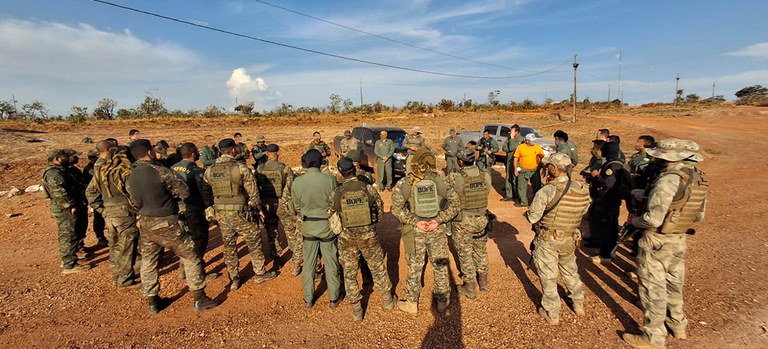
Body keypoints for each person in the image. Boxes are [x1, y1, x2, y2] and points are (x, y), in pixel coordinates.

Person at [622, 139, 708, 349]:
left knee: (653, 288)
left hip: (656, 239)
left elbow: (653, 219)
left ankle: (653, 337)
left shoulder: (668, 179)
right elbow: (699, 215)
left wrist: (634, 221)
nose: (655, 157)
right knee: (674, 284)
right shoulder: (696, 178)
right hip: (678, 238)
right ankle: (678, 324)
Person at [126, 139, 218, 314]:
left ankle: (153, 301)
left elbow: (134, 202)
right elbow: (183, 191)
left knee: (149, 261)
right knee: (191, 255)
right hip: (167, 220)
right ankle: (200, 297)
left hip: (145, 222)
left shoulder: (131, 174)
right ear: (149, 152)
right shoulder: (161, 171)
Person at [392, 148, 460, 315]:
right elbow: (455, 205)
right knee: (440, 266)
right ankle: (442, 302)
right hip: (437, 230)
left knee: (414, 267)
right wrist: (438, 220)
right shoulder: (441, 181)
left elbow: (396, 209)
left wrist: (416, 222)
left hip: (415, 232)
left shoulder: (405, 183)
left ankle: (411, 302)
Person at [526, 153, 591, 325]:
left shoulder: (547, 190)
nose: (546, 169)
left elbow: (533, 218)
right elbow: (584, 211)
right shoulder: (582, 188)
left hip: (548, 239)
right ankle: (578, 303)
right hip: (570, 238)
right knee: (570, 270)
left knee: (548, 276)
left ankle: (552, 312)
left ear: (553, 168)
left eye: (548, 166)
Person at [204, 139, 277, 290]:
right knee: (254, 240)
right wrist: (258, 208)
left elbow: (206, 191)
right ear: (232, 150)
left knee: (229, 245)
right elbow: (253, 192)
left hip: (222, 213)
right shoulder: (240, 168)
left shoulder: (210, 170)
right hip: (241, 212)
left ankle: (234, 278)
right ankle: (259, 273)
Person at [329, 157, 395, 322]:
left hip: (347, 238)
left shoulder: (336, 193)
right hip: (368, 235)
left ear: (340, 172)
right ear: (354, 169)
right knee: (378, 267)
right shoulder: (367, 189)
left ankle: (357, 310)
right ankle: (387, 301)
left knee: (349, 273)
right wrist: (371, 224)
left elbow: (331, 213)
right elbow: (379, 209)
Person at [86, 140, 140, 290]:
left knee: (115, 245)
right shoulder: (123, 172)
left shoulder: (101, 171)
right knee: (128, 246)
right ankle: (125, 280)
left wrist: (102, 209)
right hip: (124, 213)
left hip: (110, 213)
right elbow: (133, 194)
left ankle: (117, 274)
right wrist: (137, 208)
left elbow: (90, 192)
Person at [291, 149, 341, 308]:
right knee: (331, 261)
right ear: (321, 163)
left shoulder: (297, 182)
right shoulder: (329, 180)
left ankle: (308, 299)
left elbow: (295, 207)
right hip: (326, 226)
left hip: (308, 226)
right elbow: (335, 203)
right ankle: (334, 298)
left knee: (309, 263)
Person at [447, 147, 491, 299]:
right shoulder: (485, 174)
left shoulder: (455, 177)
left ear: (460, 161)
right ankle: (483, 283)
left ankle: (470, 287)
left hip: (464, 221)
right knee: (480, 250)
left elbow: (447, 194)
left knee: (465, 253)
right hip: (482, 219)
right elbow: (488, 191)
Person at [171, 143, 217, 281]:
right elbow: (204, 193)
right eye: (197, 151)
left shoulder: (171, 168)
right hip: (193, 210)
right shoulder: (196, 171)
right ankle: (198, 273)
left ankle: (183, 270)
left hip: (175, 210)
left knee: (183, 240)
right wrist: (209, 208)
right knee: (198, 241)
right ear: (193, 154)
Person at [42, 149, 90, 274]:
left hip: (72, 205)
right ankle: (69, 264)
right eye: (66, 157)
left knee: (74, 232)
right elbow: (59, 192)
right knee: (68, 234)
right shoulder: (53, 174)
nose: (69, 158)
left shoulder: (64, 170)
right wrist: (71, 205)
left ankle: (72, 255)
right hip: (65, 209)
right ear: (57, 158)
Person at [589, 142, 634, 264]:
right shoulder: (618, 163)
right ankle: (608, 251)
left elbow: (608, 184)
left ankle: (606, 254)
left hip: (608, 200)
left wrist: (597, 176)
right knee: (611, 226)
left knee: (607, 227)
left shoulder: (612, 166)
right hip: (612, 200)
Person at [255, 144, 294, 268]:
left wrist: (261, 204)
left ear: (266, 153)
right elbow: (290, 187)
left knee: (272, 230)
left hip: (267, 204)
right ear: (278, 152)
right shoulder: (285, 168)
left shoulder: (260, 169)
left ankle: (276, 257)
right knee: (289, 230)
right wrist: (283, 201)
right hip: (282, 203)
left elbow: (256, 189)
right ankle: (295, 256)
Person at [278, 157, 308, 276]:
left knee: (299, 242)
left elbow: (285, 200)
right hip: (317, 217)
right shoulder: (320, 177)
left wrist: (293, 217)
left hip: (300, 216)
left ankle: (296, 266)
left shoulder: (294, 179)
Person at [82, 149, 108, 248]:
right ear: (91, 158)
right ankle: (100, 237)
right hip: (99, 197)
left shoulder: (99, 166)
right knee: (99, 219)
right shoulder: (91, 169)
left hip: (104, 196)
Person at [513, 133, 545, 207]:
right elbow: (515, 158)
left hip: (534, 170)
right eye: (532, 141)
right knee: (521, 187)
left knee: (537, 186)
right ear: (527, 141)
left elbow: (542, 158)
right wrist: (515, 169)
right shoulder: (520, 147)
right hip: (523, 170)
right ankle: (523, 202)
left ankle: (536, 202)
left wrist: (544, 168)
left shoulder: (537, 147)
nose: (533, 142)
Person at [502, 124, 525, 202]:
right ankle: (509, 195)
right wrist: (510, 146)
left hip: (517, 162)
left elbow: (511, 147)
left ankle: (517, 195)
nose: (510, 133)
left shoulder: (521, 140)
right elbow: (504, 148)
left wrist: (511, 141)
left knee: (516, 178)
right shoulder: (509, 138)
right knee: (508, 177)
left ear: (516, 132)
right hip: (509, 160)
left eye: (512, 131)